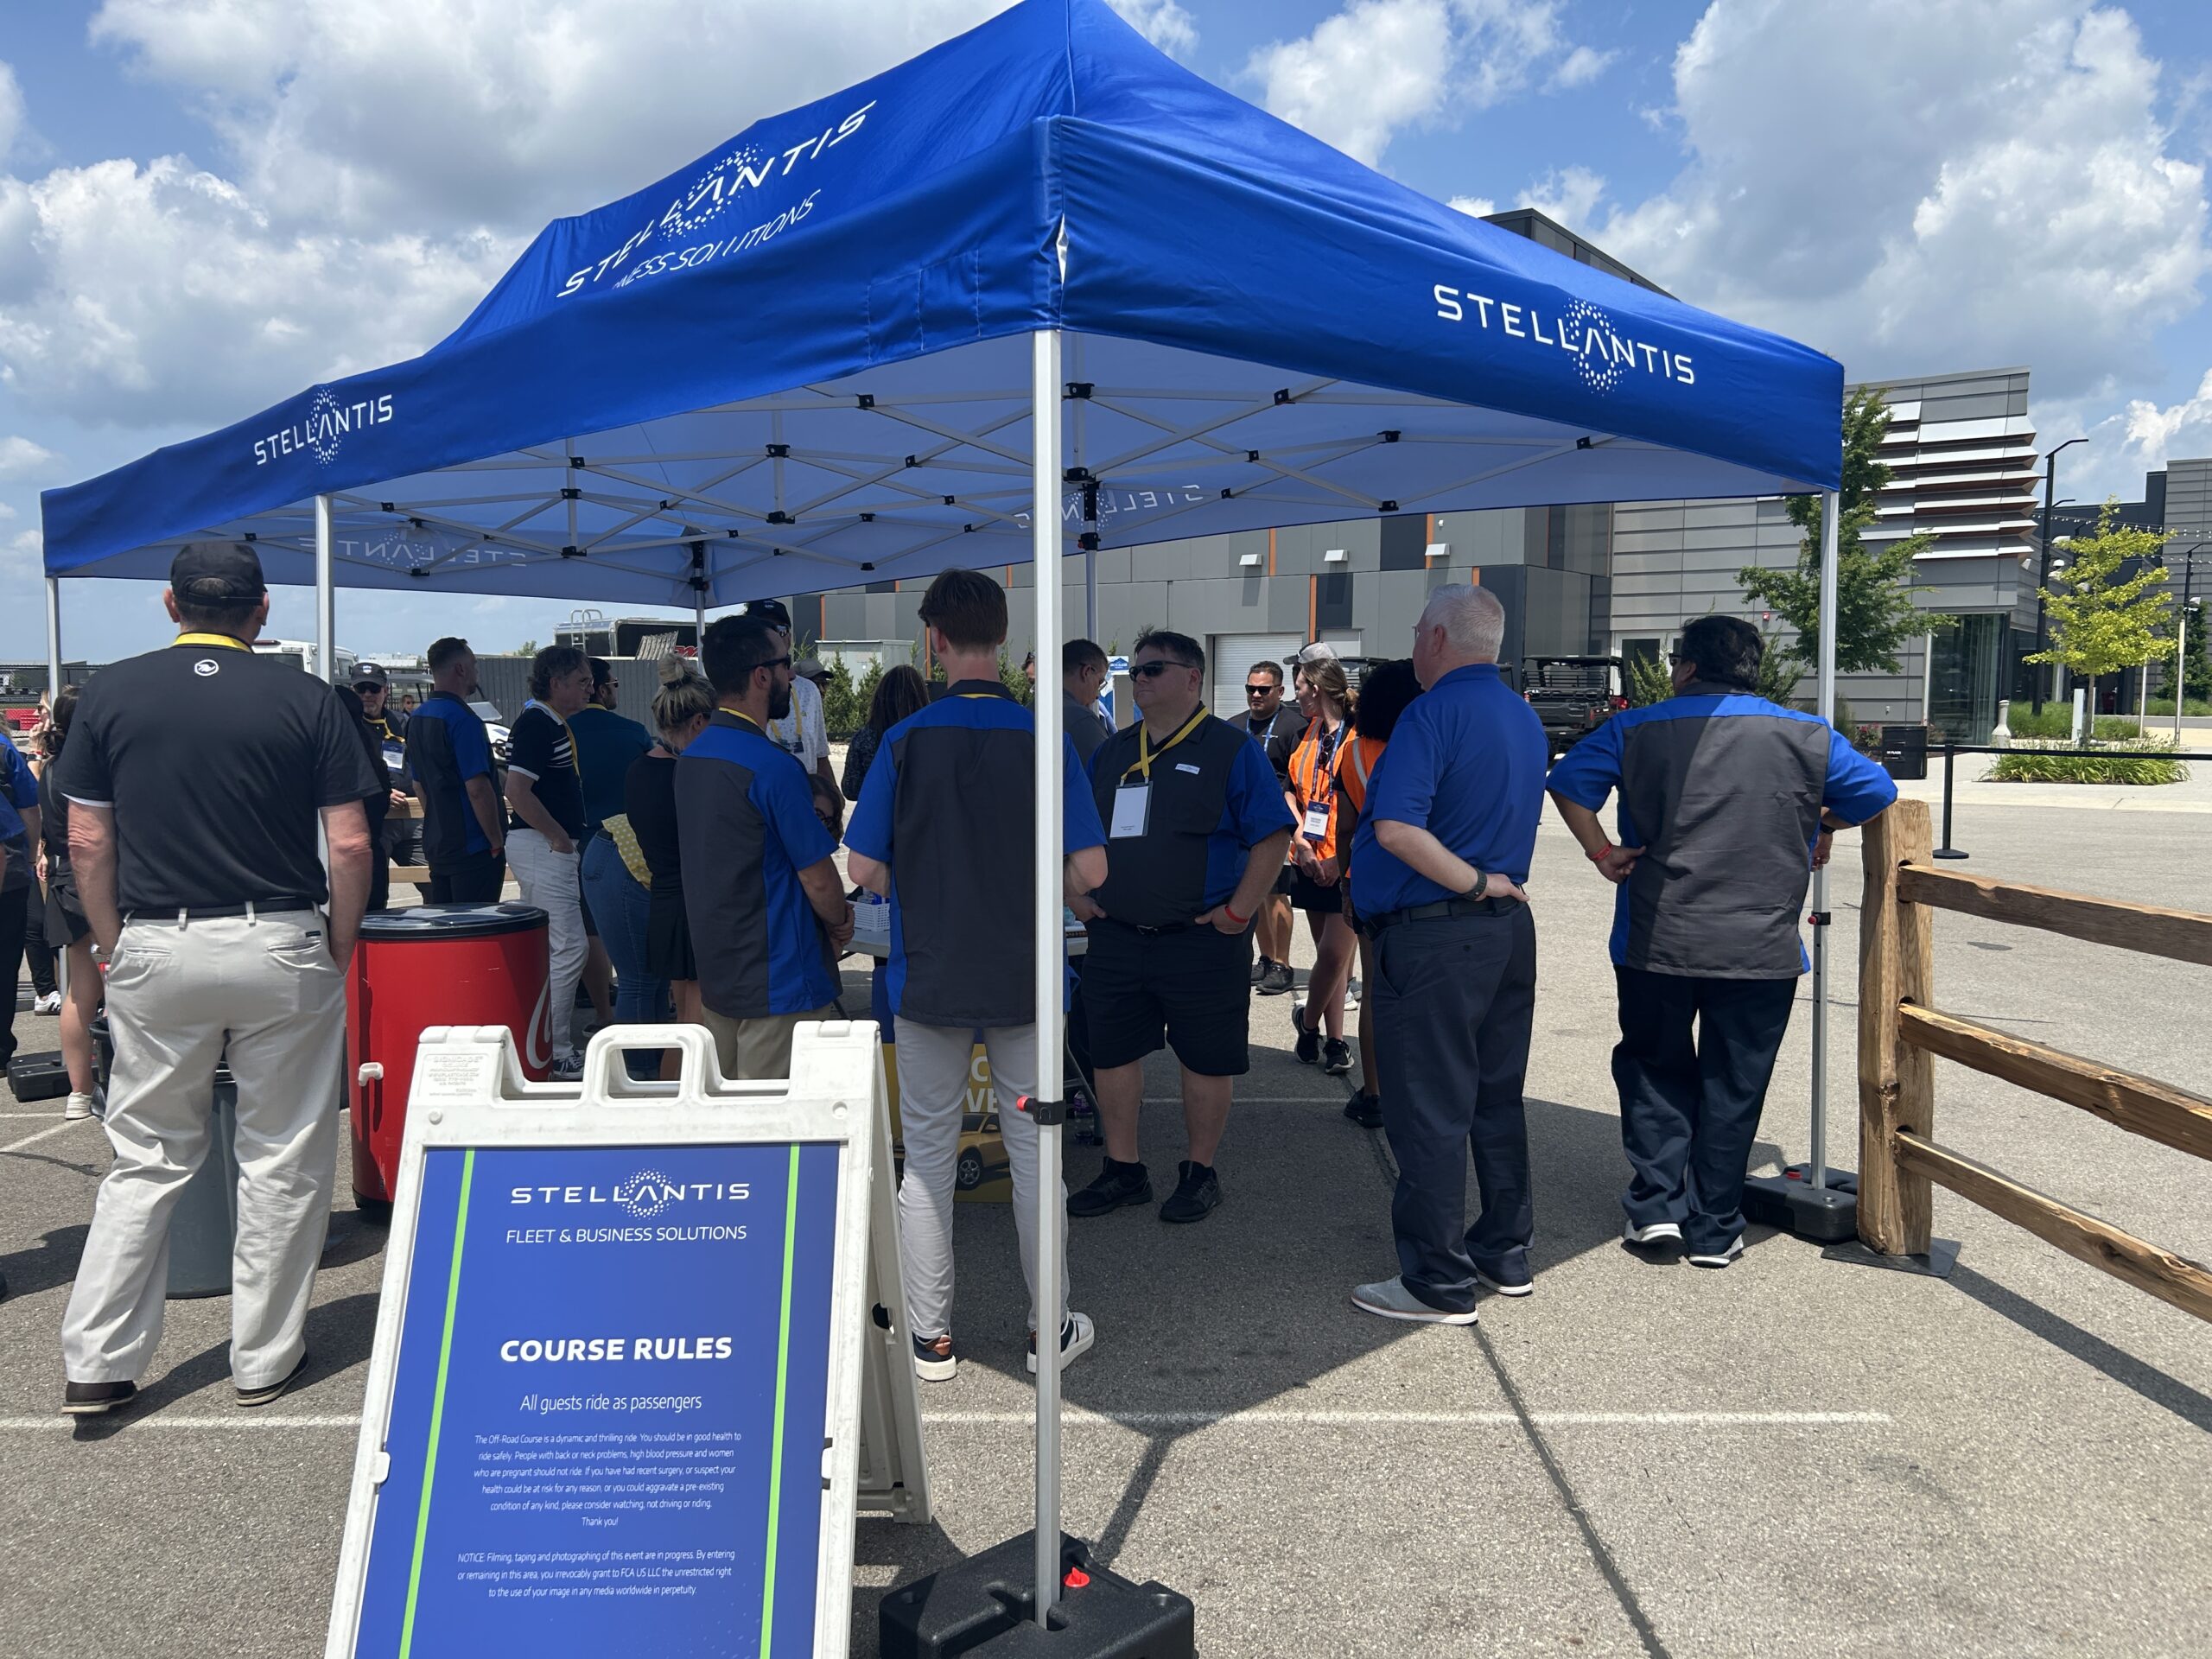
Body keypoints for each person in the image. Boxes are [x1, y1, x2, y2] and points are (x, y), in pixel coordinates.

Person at [54, 541, 378, 1414]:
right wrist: (340, 943)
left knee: (148, 1155)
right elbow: (350, 842)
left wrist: (115, 944)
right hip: (280, 935)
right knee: (283, 1155)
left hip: (158, 939)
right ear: (260, 610)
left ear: (170, 606)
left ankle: (98, 1359)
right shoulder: (306, 697)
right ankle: (263, 1357)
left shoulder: (110, 692)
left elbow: (85, 839)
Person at [1546, 614, 1898, 1268]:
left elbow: (1567, 786)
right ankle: (1714, 1226)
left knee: (1654, 1070)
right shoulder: (1808, 734)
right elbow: (1877, 792)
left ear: (1685, 667)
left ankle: (1657, 1210)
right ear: (1752, 671)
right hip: (1760, 943)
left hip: (1657, 936)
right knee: (1735, 1083)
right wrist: (1822, 823)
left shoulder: (1635, 727)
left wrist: (1602, 851)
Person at [845, 569, 1109, 1382]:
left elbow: (864, 867)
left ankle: (931, 1339)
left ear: (935, 640)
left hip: (929, 979)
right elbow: (1091, 871)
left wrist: (931, 879)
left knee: (926, 1158)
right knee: (1036, 1156)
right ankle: (1046, 1327)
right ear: (1002, 638)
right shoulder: (1045, 736)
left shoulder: (904, 739)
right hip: (1026, 982)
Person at [1347, 584, 1543, 1326]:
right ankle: (1504, 1250)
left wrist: (1471, 880)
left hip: (1437, 933)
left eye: (1415, 634)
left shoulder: (1430, 713)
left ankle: (1437, 1279)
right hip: (1503, 931)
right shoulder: (1522, 714)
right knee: (1495, 1096)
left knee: (1428, 1106)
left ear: (1435, 637)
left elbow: (1397, 828)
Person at [1066, 629, 1294, 1224]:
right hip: (1118, 936)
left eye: (1153, 670)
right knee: (1112, 1054)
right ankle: (1124, 1169)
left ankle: (1199, 1172)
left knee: (1206, 1059)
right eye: (1135, 671)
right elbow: (1072, 828)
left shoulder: (1230, 748)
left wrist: (1239, 912)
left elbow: (1272, 835)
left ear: (1192, 678)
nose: (1138, 680)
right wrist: (1074, 894)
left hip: (1201, 940)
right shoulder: (1113, 751)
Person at [677, 614, 852, 1079]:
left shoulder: (691, 758)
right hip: (779, 978)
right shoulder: (773, 766)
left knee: (723, 1109)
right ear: (760, 675)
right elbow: (819, 879)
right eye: (784, 664)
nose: (790, 675)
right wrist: (840, 921)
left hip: (721, 970)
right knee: (773, 1114)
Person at [1334, 658, 1422, 1130]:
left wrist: (1346, 883)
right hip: (1425, 877)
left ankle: (1374, 1093)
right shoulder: (1423, 744)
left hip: (1370, 879)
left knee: (1374, 990)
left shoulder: (1351, 752)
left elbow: (1345, 828)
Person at [505, 644, 594, 1082]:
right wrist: (557, 836)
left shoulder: (547, 722)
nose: (589, 688)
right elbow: (516, 791)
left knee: (552, 948)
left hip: (544, 845)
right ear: (555, 683)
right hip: (543, 846)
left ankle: (542, 1043)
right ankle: (555, 1050)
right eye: (582, 681)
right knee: (570, 947)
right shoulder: (538, 723)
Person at [626, 658, 715, 1081]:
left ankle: (668, 1097)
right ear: (698, 722)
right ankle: (675, 1102)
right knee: (695, 1027)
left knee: (683, 1017)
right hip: (694, 905)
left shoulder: (639, 769)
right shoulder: (690, 776)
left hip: (664, 900)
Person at [570, 658, 652, 1027]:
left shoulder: (564, 732)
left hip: (586, 842)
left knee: (592, 929)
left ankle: (603, 1014)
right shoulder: (634, 732)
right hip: (636, 844)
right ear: (601, 689)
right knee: (643, 935)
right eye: (615, 684)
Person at [1285, 657, 1357, 1076]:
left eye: (1299, 687)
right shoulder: (1304, 734)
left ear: (1316, 688)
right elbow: (1290, 792)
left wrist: (1336, 858)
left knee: (1334, 955)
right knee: (1327, 957)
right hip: (1309, 858)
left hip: (1344, 862)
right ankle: (1335, 1041)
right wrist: (1300, 839)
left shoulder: (1359, 734)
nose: (1295, 695)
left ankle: (1308, 1023)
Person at [35, 688, 101, 1122]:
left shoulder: (50, 767)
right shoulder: (94, 766)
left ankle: (79, 1091)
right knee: (125, 983)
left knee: (79, 990)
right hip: (102, 880)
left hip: (64, 879)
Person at [407, 637, 505, 902]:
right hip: (473, 847)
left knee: (444, 923)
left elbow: (418, 785)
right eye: (473, 664)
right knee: (477, 923)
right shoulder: (464, 720)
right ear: (460, 669)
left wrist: (439, 823)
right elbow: (477, 789)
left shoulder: (417, 717)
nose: (476, 672)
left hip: (439, 845)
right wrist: (495, 840)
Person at [1230, 660, 1299, 995]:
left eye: (1264, 689)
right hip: (1241, 824)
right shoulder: (1233, 727)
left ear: (1280, 691)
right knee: (1253, 891)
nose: (1256, 695)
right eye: (1251, 689)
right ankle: (1266, 957)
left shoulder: (1294, 726)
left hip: (1276, 826)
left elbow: (1298, 780)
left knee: (1276, 894)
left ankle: (1283, 963)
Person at [742, 599, 838, 798]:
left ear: (789, 637)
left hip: (805, 798)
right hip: (763, 800)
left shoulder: (808, 690)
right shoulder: (741, 690)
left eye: (780, 630)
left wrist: (833, 796)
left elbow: (820, 755)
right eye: (763, 628)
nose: (772, 636)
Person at [0, 723, 41, 1078]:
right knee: (4, 957)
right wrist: (30, 857)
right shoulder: (3, 748)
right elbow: (29, 807)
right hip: (8, 865)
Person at [334, 686, 393, 914]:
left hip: (341, 860)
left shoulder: (332, 754)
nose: (368, 694)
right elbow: (382, 798)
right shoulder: (368, 752)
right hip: (370, 857)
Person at [841, 665, 928, 802]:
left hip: (877, 810)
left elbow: (851, 789)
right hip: (920, 811)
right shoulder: (930, 737)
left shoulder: (865, 737)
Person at [1061, 639, 1115, 767]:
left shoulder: (1032, 709)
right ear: (1086, 672)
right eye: (1099, 682)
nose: (1097, 696)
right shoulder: (1081, 719)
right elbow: (1109, 771)